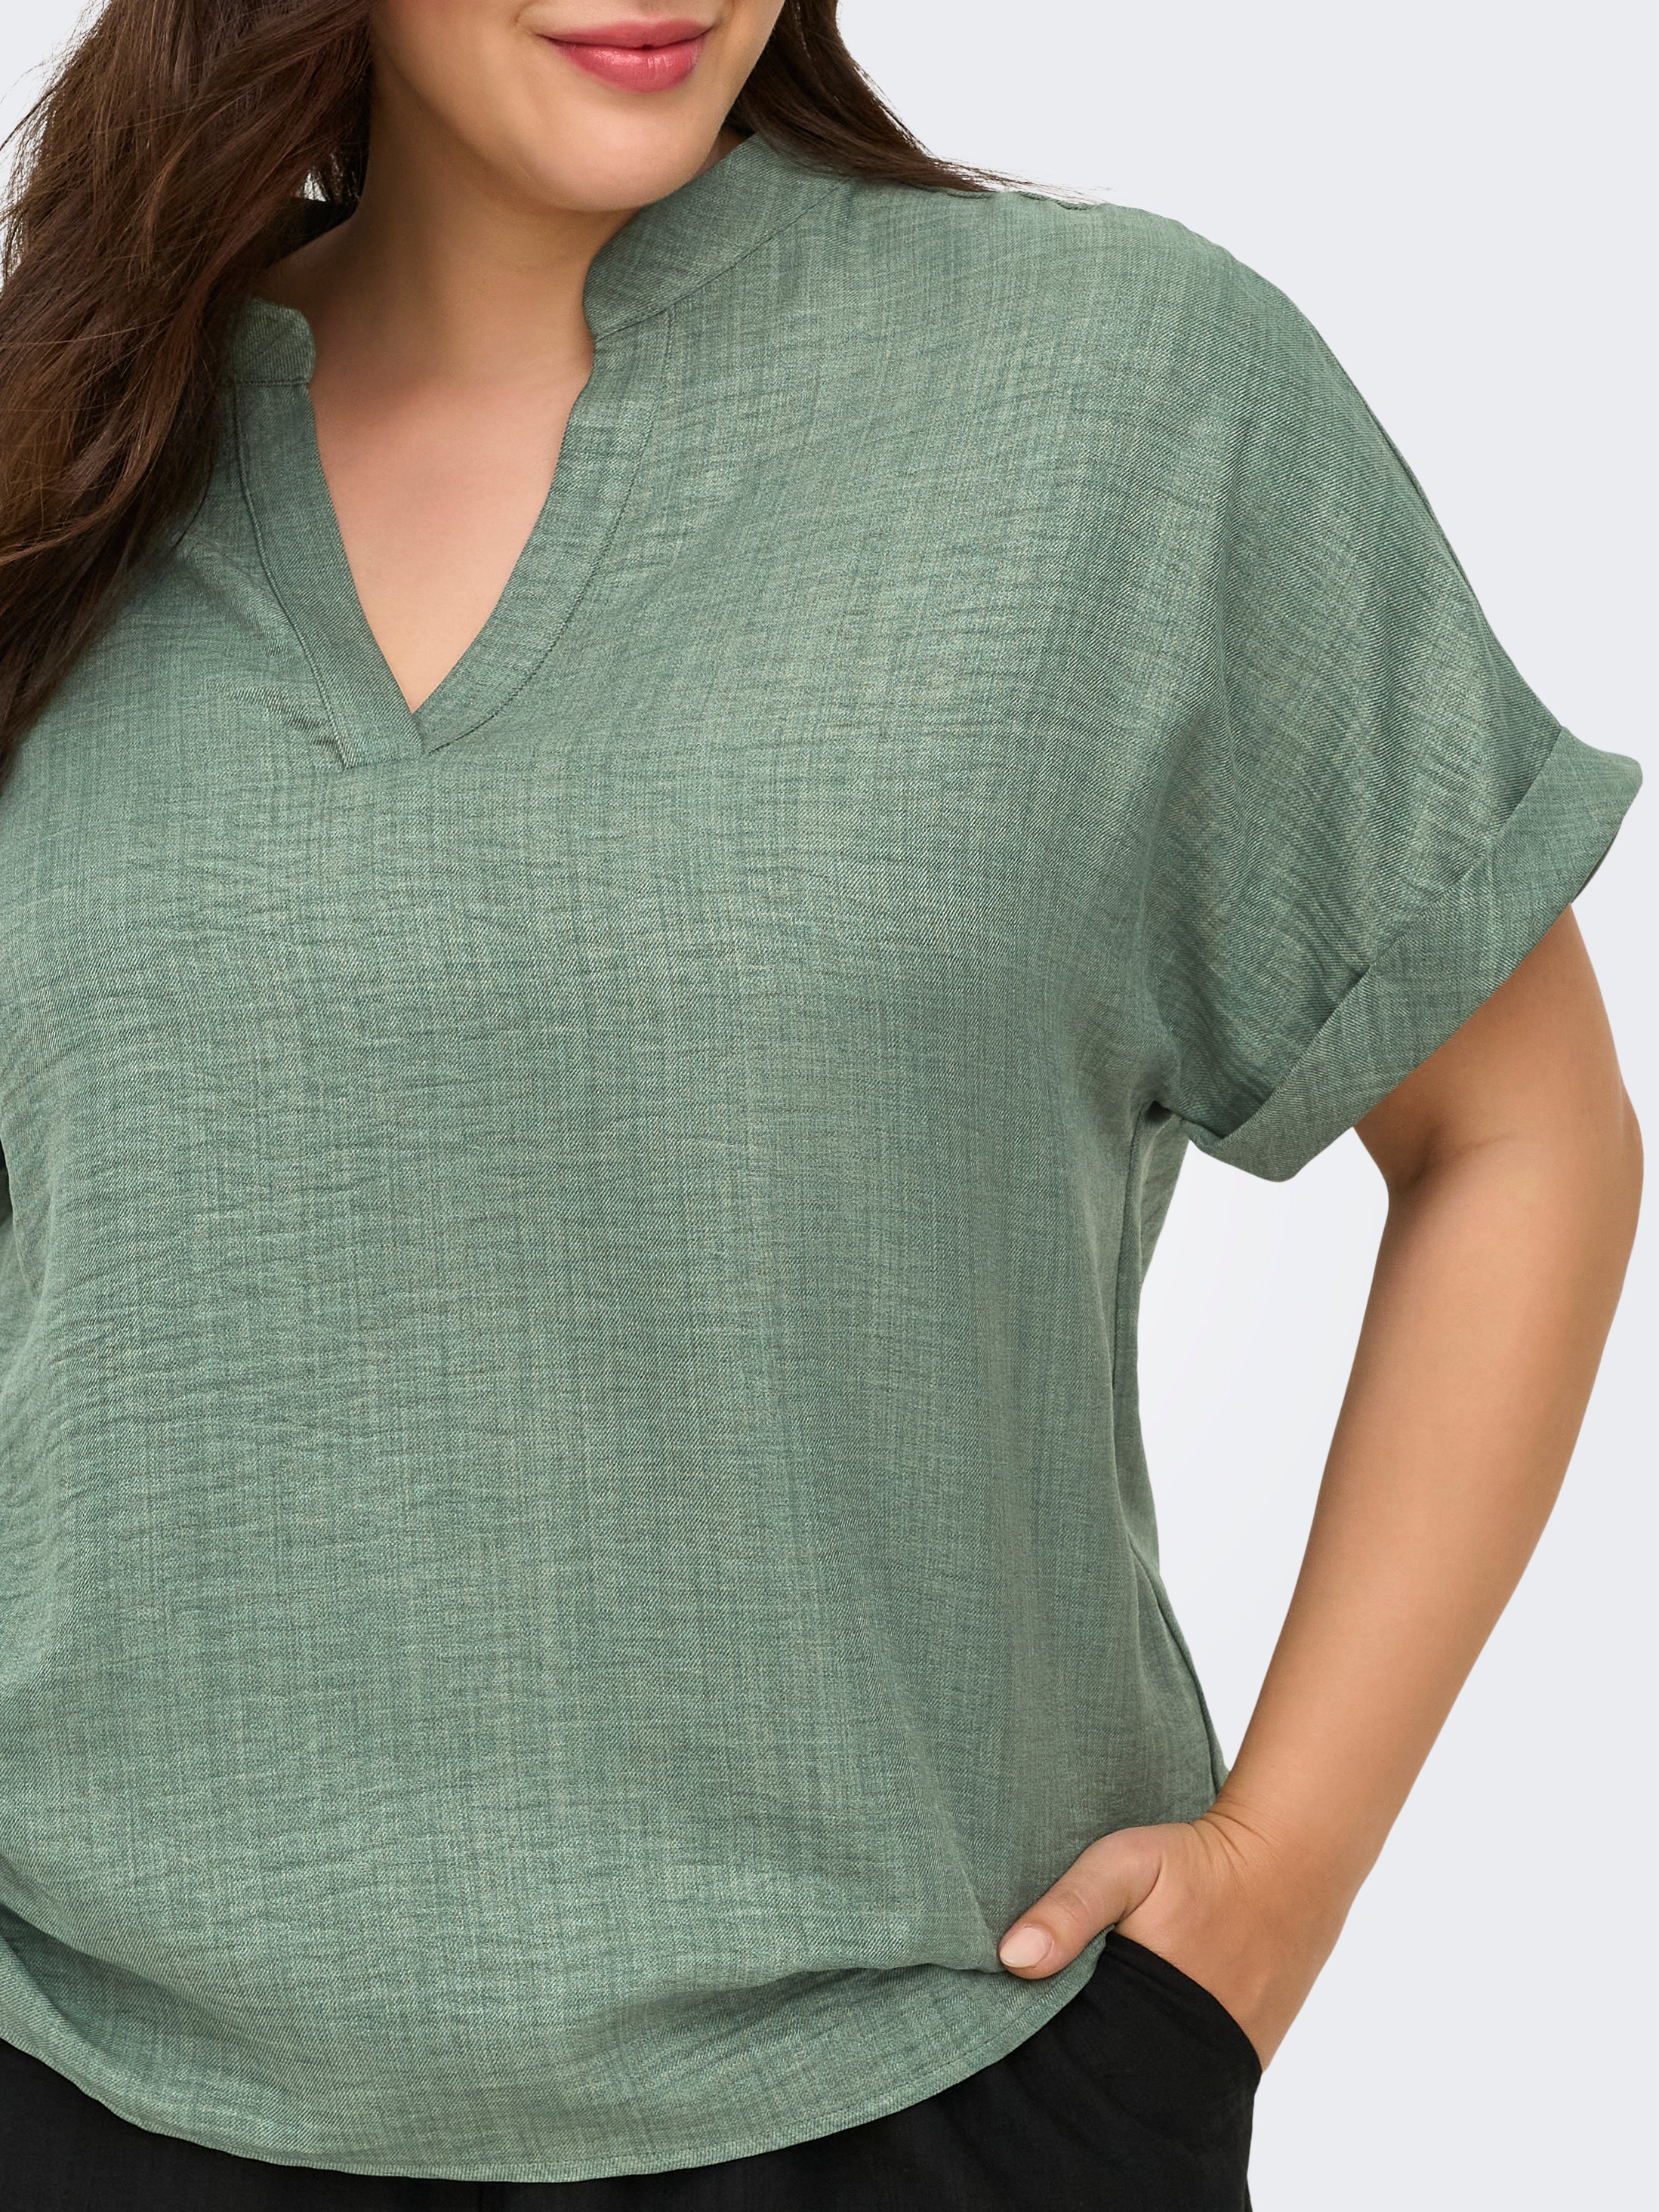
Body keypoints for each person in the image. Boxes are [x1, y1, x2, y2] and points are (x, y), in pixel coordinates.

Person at [0, 1, 1642, 2205]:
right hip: (82, 2087)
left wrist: (1268, 1895)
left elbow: (1523, 1135)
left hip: (929, 2092)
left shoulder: (1118, 398)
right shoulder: (57, 454)